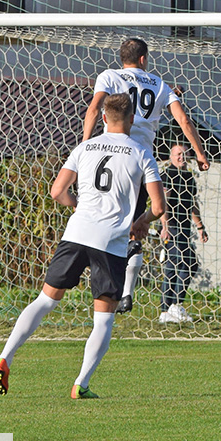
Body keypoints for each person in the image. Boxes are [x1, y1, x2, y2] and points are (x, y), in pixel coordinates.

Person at [0, 93, 166, 398]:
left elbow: (57, 190)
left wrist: (79, 208)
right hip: (110, 242)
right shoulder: (141, 153)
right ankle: (80, 384)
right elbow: (160, 206)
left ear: (103, 118)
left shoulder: (84, 147)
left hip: (76, 233)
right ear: (133, 119)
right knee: (103, 319)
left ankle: (5, 356)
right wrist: (142, 221)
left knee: (45, 300)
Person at [83, 37, 209, 315]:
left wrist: (85, 146)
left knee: (99, 220)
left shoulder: (110, 76)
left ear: (123, 57)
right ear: (143, 59)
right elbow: (183, 120)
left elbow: (94, 109)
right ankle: (126, 293)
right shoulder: (159, 84)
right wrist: (199, 153)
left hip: (111, 156)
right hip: (141, 163)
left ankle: (99, 278)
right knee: (137, 228)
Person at [158, 144, 208, 324]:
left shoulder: (188, 177)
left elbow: (192, 203)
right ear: (171, 156)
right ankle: (172, 307)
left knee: (181, 266)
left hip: (185, 227)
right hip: (171, 227)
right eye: (178, 154)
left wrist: (200, 227)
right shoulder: (167, 175)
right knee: (184, 264)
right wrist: (164, 226)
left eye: (185, 154)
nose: (181, 157)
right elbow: (163, 202)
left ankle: (168, 310)